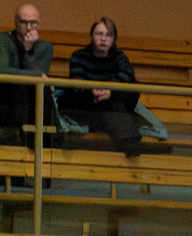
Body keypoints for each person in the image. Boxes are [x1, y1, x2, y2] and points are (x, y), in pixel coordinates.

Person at [61, 17, 143, 154]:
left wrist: (109, 90)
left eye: (108, 35)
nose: (104, 39)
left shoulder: (119, 57)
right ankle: (129, 140)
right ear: (91, 36)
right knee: (72, 95)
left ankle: (129, 140)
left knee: (131, 88)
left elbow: (127, 75)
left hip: (111, 103)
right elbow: (77, 82)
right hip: (87, 106)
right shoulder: (79, 56)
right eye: (99, 34)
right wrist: (92, 92)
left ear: (114, 39)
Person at [0, 3, 56, 135]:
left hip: (32, 102)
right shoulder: (2, 40)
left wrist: (29, 51)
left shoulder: (45, 48)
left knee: (42, 92)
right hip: (1, 97)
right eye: (23, 22)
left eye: (33, 23)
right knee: (18, 87)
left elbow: (40, 81)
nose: (28, 28)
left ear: (39, 22)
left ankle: (47, 137)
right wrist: (36, 75)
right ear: (16, 22)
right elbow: (1, 71)